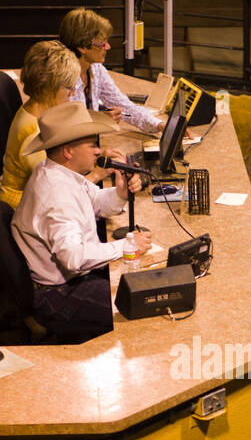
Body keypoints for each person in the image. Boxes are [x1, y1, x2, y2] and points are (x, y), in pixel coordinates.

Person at [11, 100, 152, 342]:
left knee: (144, 287)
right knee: (143, 303)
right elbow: (73, 258)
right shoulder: (55, 194)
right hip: (58, 294)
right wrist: (128, 246)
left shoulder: (57, 172)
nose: (99, 151)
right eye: (92, 145)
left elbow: (93, 203)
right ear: (68, 151)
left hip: (73, 279)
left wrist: (119, 192)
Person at [0, 39, 82, 209]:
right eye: (69, 87)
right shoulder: (33, 131)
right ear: (50, 87)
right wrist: (96, 173)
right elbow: (55, 188)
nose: (72, 93)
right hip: (21, 210)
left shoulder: (39, 109)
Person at [59, 8, 166, 134]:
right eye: (103, 44)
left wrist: (159, 124)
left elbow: (124, 106)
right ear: (83, 47)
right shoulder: (62, 77)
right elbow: (66, 128)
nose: (108, 47)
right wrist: (98, 121)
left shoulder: (96, 68)